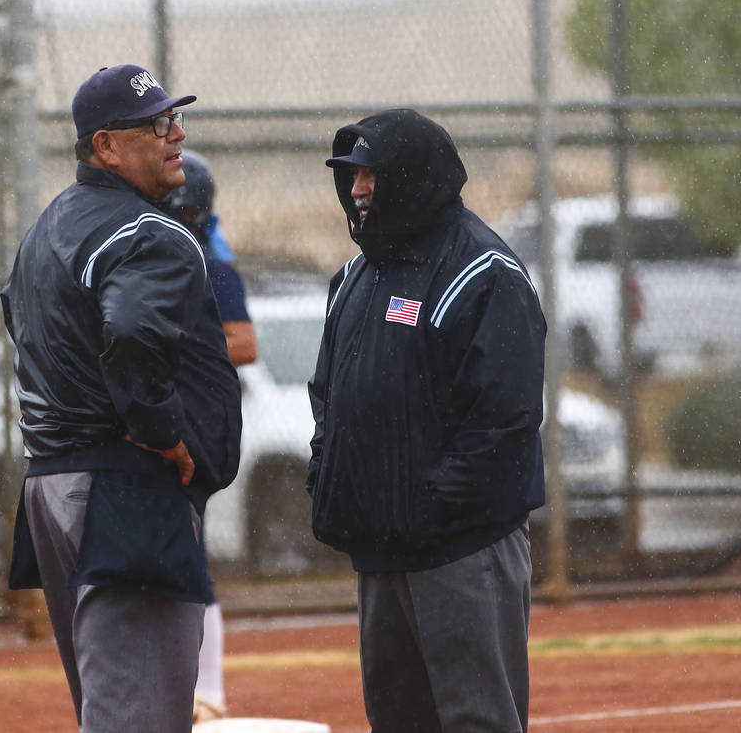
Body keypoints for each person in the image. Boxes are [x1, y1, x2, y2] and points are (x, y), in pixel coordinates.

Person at [0, 64, 242, 732]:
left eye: (174, 119)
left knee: (111, 706)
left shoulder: (47, 226)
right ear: (106, 146)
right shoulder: (151, 231)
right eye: (157, 125)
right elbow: (132, 331)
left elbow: (19, 322)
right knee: (139, 717)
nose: (177, 135)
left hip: (55, 486)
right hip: (123, 488)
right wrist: (162, 428)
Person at [306, 108, 546, 732]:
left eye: (370, 175)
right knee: (398, 718)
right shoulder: (356, 274)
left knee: (474, 719)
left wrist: (431, 505)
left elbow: (504, 418)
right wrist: (334, 482)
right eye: (352, 175)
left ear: (411, 177)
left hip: (460, 548)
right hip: (382, 548)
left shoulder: (484, 272)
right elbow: (327, 395)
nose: (356, 189)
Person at [160, 149, 257, 722]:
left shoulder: (208, 263)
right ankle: (184, 688)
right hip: (160, 421)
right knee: (171, 555)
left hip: (194, 427)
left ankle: (211, 691)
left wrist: (176, 349)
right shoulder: (156, 256)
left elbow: (245, 343)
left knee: (190, 555)